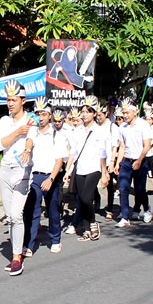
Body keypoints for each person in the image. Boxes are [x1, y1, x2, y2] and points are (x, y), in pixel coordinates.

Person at [0, 79, 34, 276]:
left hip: (22, 172)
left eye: (14, 100)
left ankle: (17, 257)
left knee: (17, 215)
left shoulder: (31, 119)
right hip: (5, 171)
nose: (10, 103)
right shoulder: (3, 121)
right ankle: (15, 252)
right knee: (10, 217)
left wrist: (27, 148)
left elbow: (31, 139)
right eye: (8, 100)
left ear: (23, 100)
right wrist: (17, 132)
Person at [23, 97, 68, 254]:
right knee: (32, 211)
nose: (40, 117)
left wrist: (50, 179)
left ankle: (55, 239)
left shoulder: (57, 135)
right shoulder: (32, 131)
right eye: (38, 114)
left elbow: (59, 161)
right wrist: (27, 150)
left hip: (51, 177)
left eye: (43, 114)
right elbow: (29, 142)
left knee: (53, 209)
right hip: (34, 177)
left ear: (50, 115)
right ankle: (28, 243)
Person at [64, 95, 110, 241]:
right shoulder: (77, 131)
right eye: (83, 111)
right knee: (81, 200)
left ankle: (93, 222)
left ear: (94, 113)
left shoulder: (100, 130)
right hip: (80, 168)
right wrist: (68, 170)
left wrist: (104, 172)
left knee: (85, 197)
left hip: (94, 168)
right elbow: (74, 152)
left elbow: (103, 154)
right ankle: (87, 229)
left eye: (88, 111)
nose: (84, 114)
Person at [113, 98, 153, 226]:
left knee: (140, 189)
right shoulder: (123, 127)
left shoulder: (143, 125)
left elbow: (147, 145)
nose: (125, 116)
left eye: (127, 113)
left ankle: (146, 209)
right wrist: (117, 163)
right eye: (123, 113)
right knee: (123, 188)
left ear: (135, 112)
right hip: (127, 161)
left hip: (140, 161)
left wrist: (139, 160)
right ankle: (125, 217)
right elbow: (122, 146)